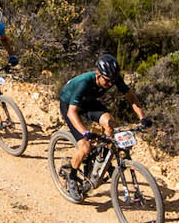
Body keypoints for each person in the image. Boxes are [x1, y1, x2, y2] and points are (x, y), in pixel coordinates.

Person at [57, 52, 146, 185]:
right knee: (85, 147)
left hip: (88, 101)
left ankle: (101, 159)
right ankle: (72, 176)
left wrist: (142, 118)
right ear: (97, 74)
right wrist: (85, 133)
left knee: (110, 123)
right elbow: (71, 112)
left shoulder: (113, 78)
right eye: (107, 80)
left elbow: (132, 98)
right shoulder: (84, 82)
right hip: (69, 104)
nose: (110, 83)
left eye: (113, 80)